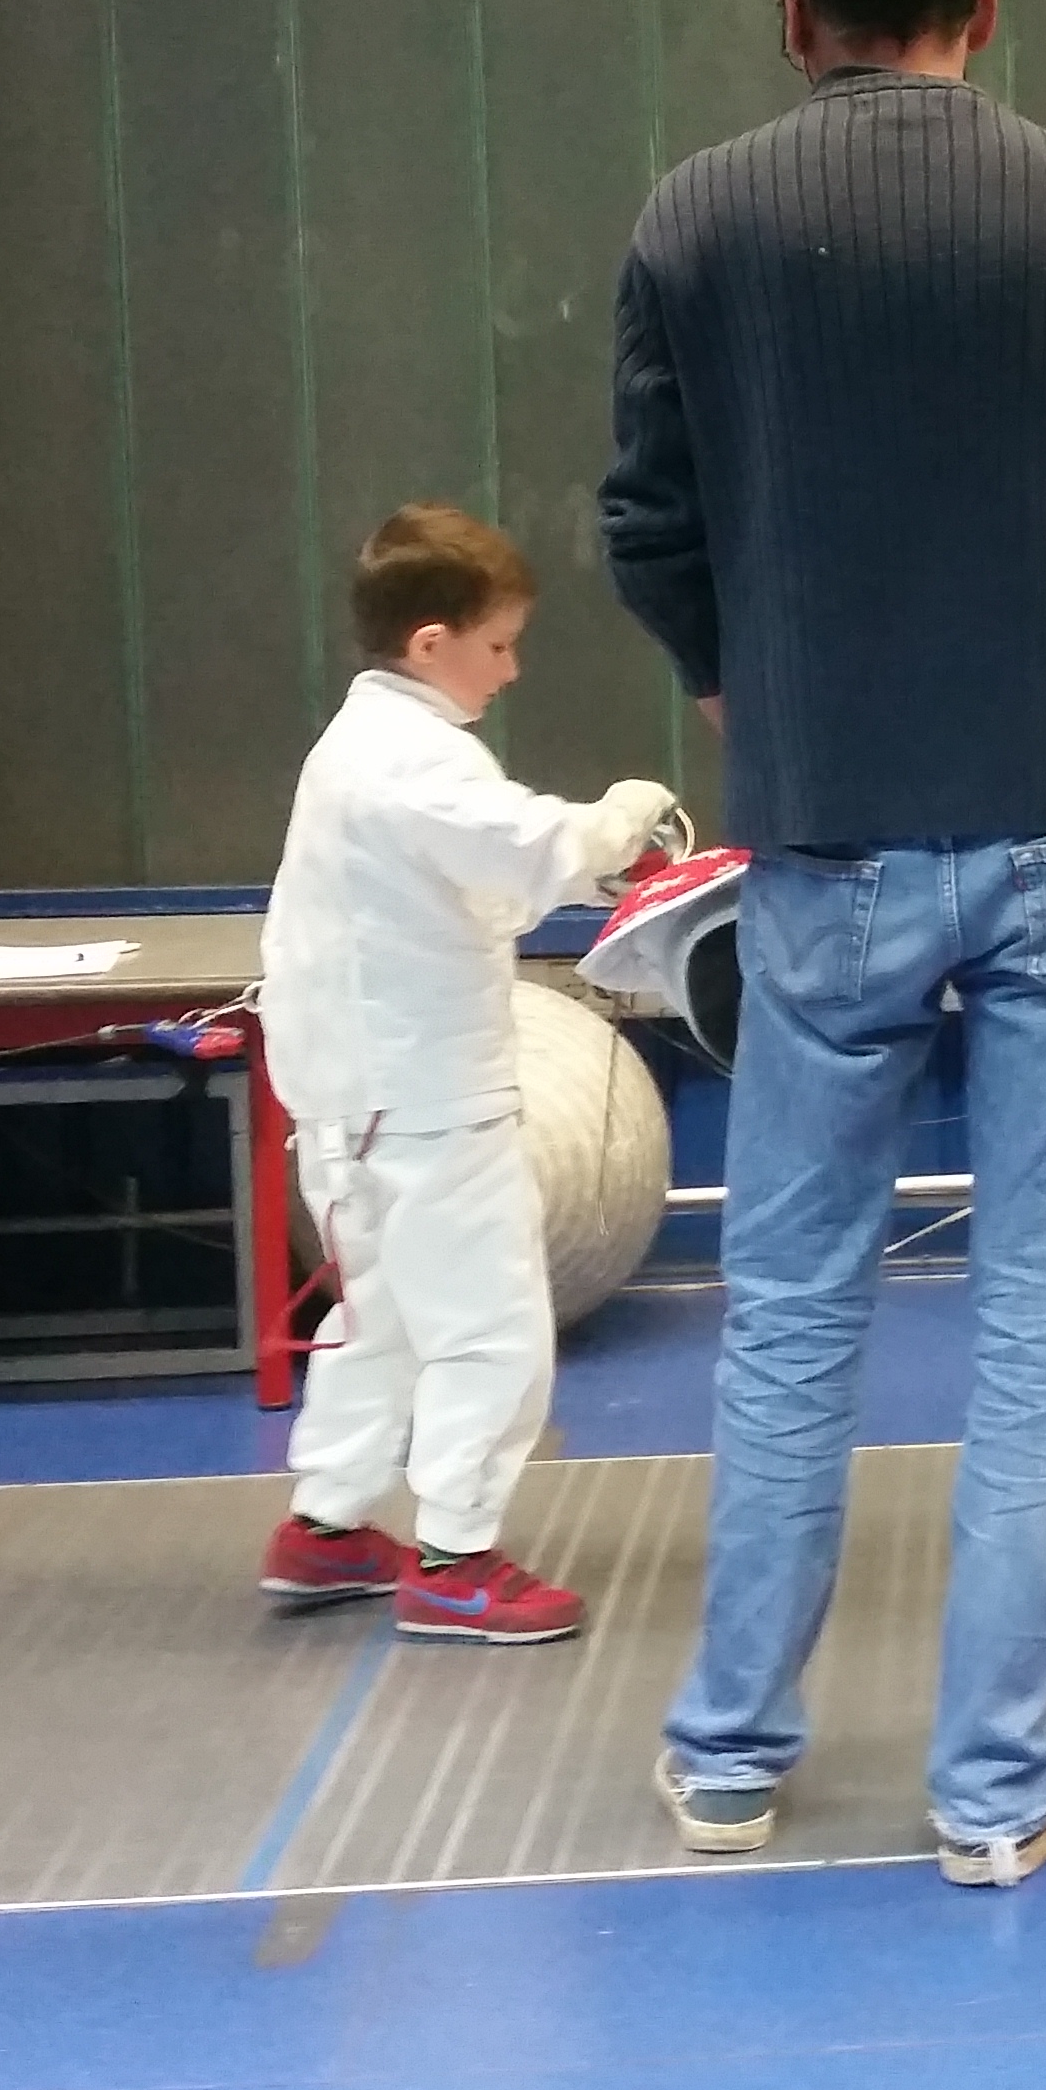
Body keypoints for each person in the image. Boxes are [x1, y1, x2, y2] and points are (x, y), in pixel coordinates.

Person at [602, 0, 1046, 1887]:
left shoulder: (696, 220)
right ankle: (994, 1786)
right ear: (982, 3)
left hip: (831, 835)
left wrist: (741, 687)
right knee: (1044, 1313)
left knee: (792, 1299)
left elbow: (648, 521)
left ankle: (729, 1757)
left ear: (787, 8)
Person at [253, 504, 674, 1644]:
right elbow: (526, 844)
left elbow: (473, 881)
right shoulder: (414, 758)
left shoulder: (354, 747)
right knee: (490, 1327)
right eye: (498, 645)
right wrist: (620, 822)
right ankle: (457, 1559)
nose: (511, 668)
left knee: (383, 1318)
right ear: (430, 642)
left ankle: (327, 1525)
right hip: (427, 1096)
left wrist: (586, 867)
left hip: (348, 1102)